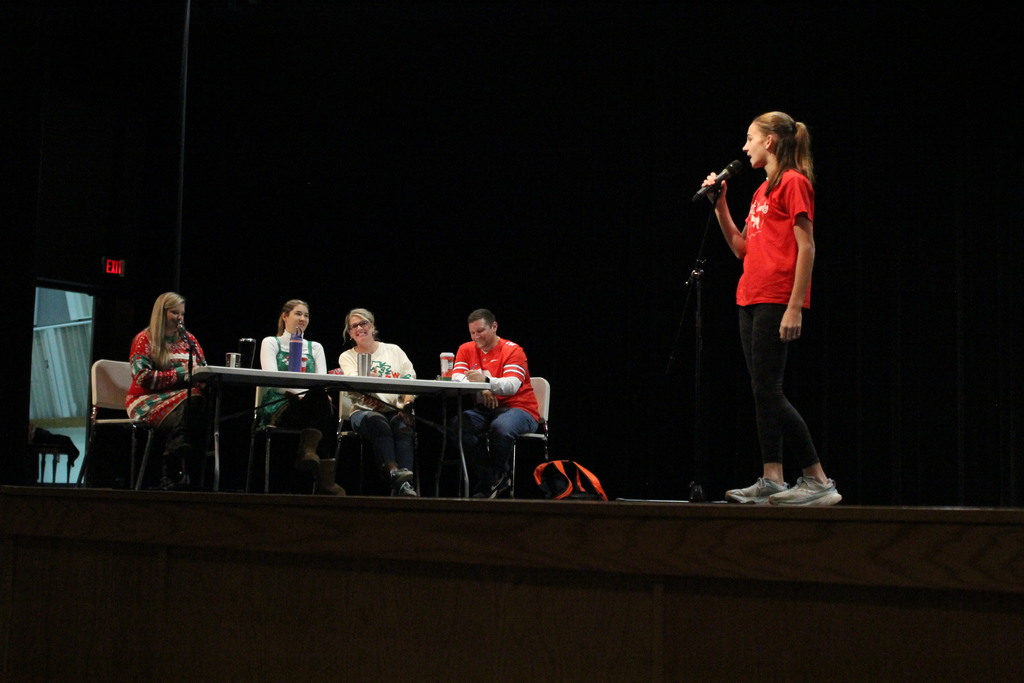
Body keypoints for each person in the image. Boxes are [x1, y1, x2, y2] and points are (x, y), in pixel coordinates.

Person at [703, 111, 840, 506]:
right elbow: (741, 248)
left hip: (776, 296)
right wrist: (720, 207)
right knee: (761, 391)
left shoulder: (794, 182)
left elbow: (807, 246)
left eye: (750, 138)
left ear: (770, 141)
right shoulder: (761, 191)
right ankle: (773, 478)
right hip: (749, 295)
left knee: (769, 390)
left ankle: (817, 478)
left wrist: (795, 305)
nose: (744, 147)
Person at [258, 299, 345, 496]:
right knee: (321, 405)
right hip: (281, 403)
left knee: (320, 396)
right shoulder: (271, 342)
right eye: (298, 313)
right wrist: (300, 395)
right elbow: (273, 380)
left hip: (310, 403)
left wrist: (308, 396)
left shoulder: (315, 347)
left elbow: (322, 381)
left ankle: (309, 451)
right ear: (284, 316)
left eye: (306, 315)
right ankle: (325, 480)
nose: (303, 318)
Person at [451, 308, 540, 499]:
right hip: (486, 409)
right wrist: (483, 388)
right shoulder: (466, 349)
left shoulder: (513, 351)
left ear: (494, 326)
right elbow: (456, 378)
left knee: (501, 427)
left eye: (480, 331)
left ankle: (492, 479)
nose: (476, 336)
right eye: (472, 332)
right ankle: (494, 478)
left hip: (520, 409)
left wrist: (485, 381)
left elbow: (511, 386)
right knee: (458, 425)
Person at [126, 291, 207, 490]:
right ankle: (172, 468)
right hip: (146, 399)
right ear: (161, 313)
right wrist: (180, 374)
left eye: (182, 314)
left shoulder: (189, 340)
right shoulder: (144, 339)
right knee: (194, 403)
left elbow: (203, 368)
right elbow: (143, 377)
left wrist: (199, 379)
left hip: (183, 399)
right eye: (174, 313)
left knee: (201, 404)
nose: (180, 318)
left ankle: (177, 464)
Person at [338, 308, 418, 497]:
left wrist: (407, 405)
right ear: (350, 333)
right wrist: (367, 377)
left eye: (363, 323)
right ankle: (396, 476)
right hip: (363, 411)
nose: (359, 328)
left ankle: (404, 485)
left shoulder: (393, 350)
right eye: (354, 326)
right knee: (378, 422)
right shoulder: (347, 356)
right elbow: (353, 381)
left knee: (403, 425)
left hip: (395, 409)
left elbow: (410, 379)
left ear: (373, 327)